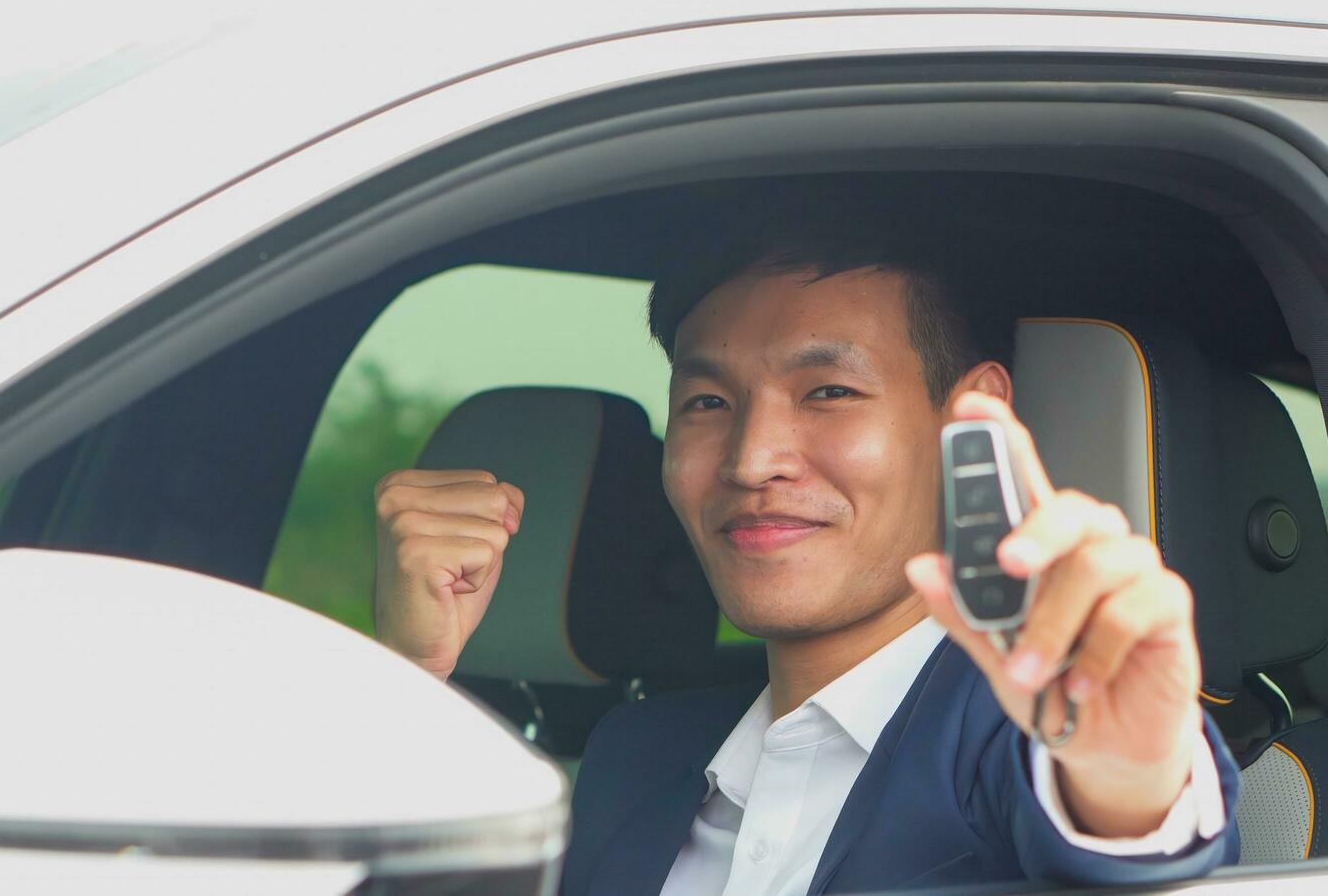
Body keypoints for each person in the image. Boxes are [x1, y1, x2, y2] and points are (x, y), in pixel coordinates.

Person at [371, 228, 1239, 895]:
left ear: (967, 417)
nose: (752, 460)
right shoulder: (638, 757)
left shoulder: (1027, 737)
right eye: (708, 401)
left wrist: (1127, 780)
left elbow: (1129, 838)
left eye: (828, 392)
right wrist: (410, 679)